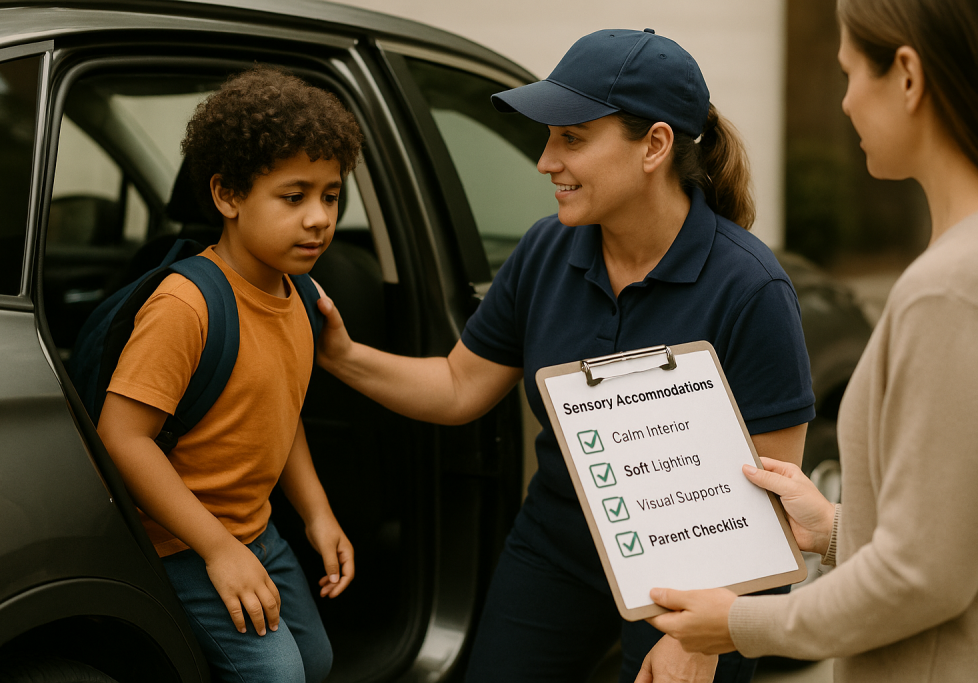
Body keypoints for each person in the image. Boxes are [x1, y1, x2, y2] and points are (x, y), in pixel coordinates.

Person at [314, 29, 815, 683]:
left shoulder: (750, 287)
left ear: (655, 146)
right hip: (560, 536)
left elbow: (773, 501)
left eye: (571, 137)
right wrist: (340, 354)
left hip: (702, 566)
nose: (546, 161)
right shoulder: (546, 251)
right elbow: (458, 384)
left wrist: (704, 638)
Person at [646, 0, 978, 681]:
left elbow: (923, 577)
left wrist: (736, 624)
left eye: (850, 73)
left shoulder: (946, 288)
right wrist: (831, 526)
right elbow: (953, 529)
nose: (848, 102)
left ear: (908, 77)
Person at [96, 65, 363, 683]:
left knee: (316, 661)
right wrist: (218, 551)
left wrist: (318, 514)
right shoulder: (187, 306)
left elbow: (279, 411)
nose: (320, 218)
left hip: (255, 529)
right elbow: (122, 436)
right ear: (228, 196)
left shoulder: (300, 296)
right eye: (294, 197)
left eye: (331, 195)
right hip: (182, 541)